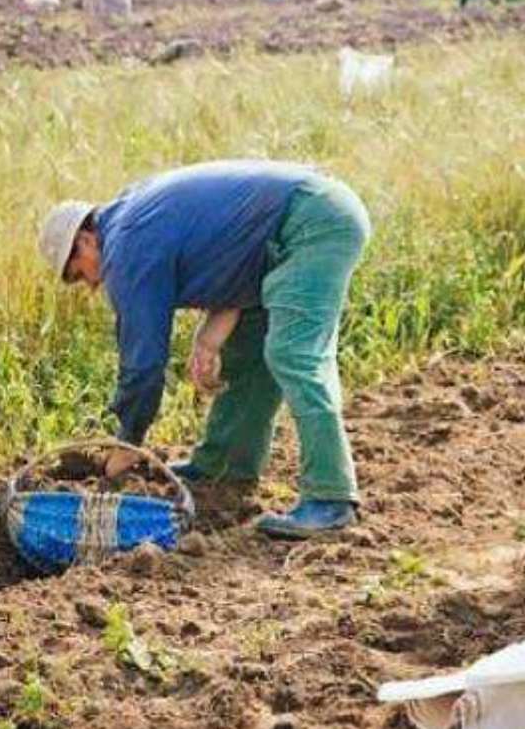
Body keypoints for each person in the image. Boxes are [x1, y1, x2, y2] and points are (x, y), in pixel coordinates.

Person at [38, 160, 371, 539]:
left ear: (85, 240)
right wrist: (208, 338)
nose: (90, 285)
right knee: (248, 351)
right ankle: (225, 464)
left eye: (79, 273)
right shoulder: (134, 218)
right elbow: (233, 245)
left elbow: (143, 363)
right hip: (295, 221)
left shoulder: (126, 249)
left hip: (311, 223)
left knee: (294, 354)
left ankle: (331, 499)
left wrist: (128, 440)